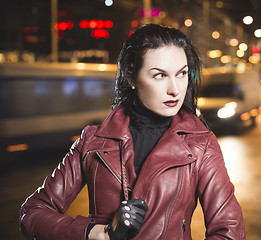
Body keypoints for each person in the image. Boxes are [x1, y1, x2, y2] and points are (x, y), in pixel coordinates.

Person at [20, 23, 246, 240]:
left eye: (182, 73)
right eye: (160, 75)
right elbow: (32, 213)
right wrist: (100, 232)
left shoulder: (201, 145)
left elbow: (229, 232)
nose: (175, 89)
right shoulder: (93, 141)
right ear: (131, 78)